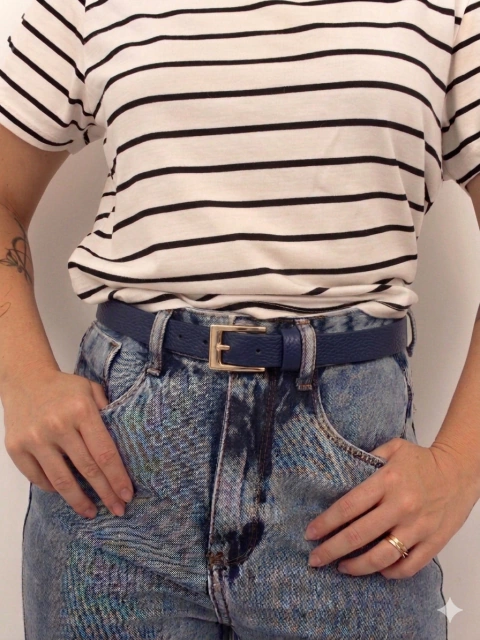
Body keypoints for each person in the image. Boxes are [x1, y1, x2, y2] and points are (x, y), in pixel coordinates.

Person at [0, 0, 479, 638]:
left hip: (351, 488)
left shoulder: (451, 12)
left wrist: (461, 466)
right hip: (119, 467)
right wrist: (23, 378)